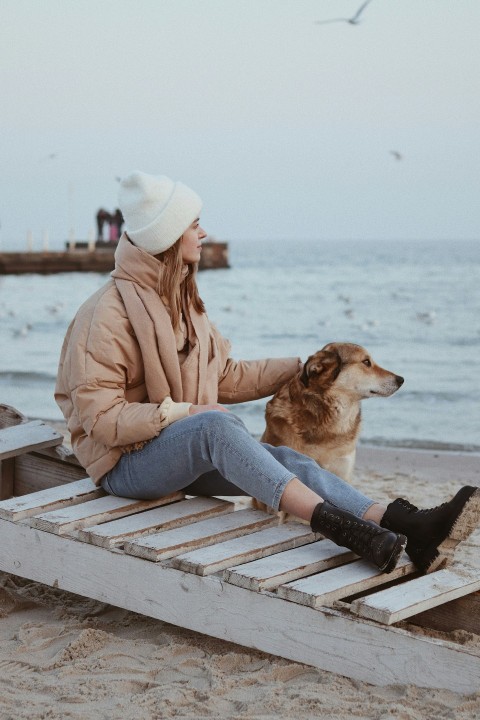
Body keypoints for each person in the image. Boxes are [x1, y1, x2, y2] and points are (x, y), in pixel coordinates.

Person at [56, 171, 480, 575]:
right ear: (168, 237)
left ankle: (401, 524)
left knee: (284, 458)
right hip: (124, 465)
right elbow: (102, 420)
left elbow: (223, 376)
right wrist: (184, 413)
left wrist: (302, 371)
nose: (204, 234)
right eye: (195, 225)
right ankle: (338, 527)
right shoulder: (106, 315)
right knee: (213, 427)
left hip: (171, 453)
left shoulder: (181, 301)